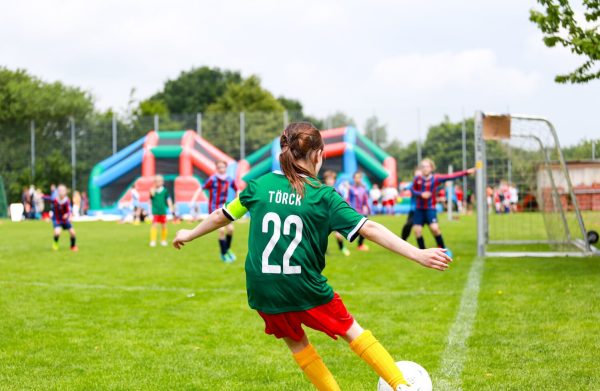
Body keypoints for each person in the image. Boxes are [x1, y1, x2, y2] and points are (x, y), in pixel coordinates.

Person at [172, 122, 451, 391]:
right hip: (303, 285)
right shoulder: (322, 196)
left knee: (298, 344)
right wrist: (418, 253)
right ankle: (401, 385)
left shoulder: (259, 185)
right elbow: (371, 228)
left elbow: (224, 215)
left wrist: (190, 232)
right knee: (351, 331)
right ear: (318, 155)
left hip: (262, 288)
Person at [411, 158, 475, 256]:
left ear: (431, 168)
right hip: (419, 209)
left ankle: (443, 249)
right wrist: (421, 194)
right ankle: (422, 253)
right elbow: (412, 190)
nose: (425, 169)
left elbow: (451, 176)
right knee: (417, 231)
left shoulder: (436, 178)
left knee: (435, 229)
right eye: (423, 167)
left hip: (430, 208)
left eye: (427, 166)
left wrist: (466, 172)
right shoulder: (417, 179)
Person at [191, 160, 238, 262]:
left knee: (230, 230)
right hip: (214, 208)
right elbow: (201, 188)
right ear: (216, 168)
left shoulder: (229, 179)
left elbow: (237, 189)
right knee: (221, 230)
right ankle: (223, 254)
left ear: (226, 168)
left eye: (223, 167)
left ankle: (227, 250)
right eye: (219, 167)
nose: (221, 169)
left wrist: (237, 199)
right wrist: (193, 200)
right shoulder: (212, 179)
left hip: (225, 208)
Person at [322, 170, 351, 257]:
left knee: (339, 235)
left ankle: (342, 248)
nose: (330, 181)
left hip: (334, 217)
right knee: (322, 236)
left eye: (332, 179)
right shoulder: (322, 190)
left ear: (334, 181)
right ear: (325, 180)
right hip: (324, 217)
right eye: (328, 179)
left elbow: (342, 201)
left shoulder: (337, 191)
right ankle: (323, 251)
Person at [44, 184, 78, 251]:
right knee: (57, 233)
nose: (61, 192)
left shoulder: (67, 201)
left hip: (65, 220)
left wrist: (67, 215)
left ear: (65, 192)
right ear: (58, 192)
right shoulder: (55, 199)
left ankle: (73, 246)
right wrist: (41, 196)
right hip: (57, 220)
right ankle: (55, 244)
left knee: (73, 233)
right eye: (60, 190)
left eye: (63, 190)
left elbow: (69, 210)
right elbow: (48, 198)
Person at [347, 171, 371, 251]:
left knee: (365, 230)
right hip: (354, 212)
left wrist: (368, 208)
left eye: (359, 177)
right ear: (354, 178)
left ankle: (360, 245)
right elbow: (348, 200)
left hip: (362, 212)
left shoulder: (363, 189)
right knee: (358, 229)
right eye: (356, 177)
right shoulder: (351, 189)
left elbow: (365, 200)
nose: (358, 179)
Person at [149, 175, 174, 247]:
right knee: (154, 225)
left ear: (162, 182)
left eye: (159, 181)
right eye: (156, 181)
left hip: (163, 211)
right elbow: (150, 201)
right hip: (155, 211)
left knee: (164, 226)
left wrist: (171, 207)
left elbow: (168, 200)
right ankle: (153, 240)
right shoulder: (152, 190)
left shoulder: (165, 191)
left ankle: (163, 240)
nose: (158, 182)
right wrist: (150, 210)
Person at [400, 169, 421, 241]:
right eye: (416, 176)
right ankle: (403, 240)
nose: (418, 177)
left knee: (433, 227)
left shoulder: (426, 184)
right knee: (408, 225)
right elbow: (405, 188)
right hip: (414, 210)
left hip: (425, 210)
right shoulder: (412, 184)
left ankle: (441, 246)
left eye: (419, 175)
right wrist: (404, 189)